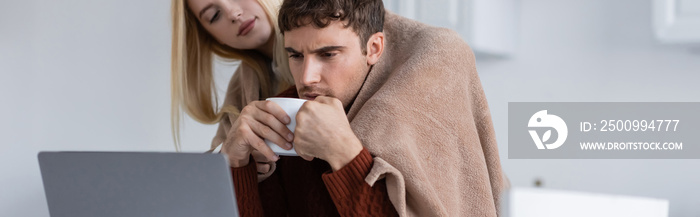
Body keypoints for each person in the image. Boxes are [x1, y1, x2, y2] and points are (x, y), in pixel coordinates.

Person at [224, 0, 510, 216]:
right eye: (296, 56)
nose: (306, 77)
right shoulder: (284, 115)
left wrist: (344, 155)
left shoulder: (405, 109)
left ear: (373, 48)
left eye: (328, 54)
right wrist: (238, 167)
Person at [170, 0, 301, 176]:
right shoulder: (241, 89)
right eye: (214, 16)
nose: (233, 14)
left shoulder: (333, 27)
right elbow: (209, 182)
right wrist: (232, 158)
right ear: (212, 37)